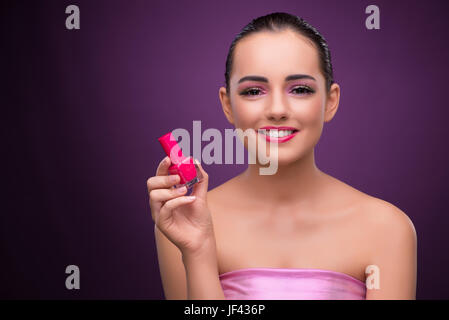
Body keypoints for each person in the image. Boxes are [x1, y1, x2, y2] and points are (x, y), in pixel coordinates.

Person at [147, 12, 417, 300]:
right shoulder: (184, 221)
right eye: (253, 91)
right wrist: (198, 251)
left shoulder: (387, 228)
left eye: (300, 90)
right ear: (227, 105)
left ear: (330, 101)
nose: (277, 109)